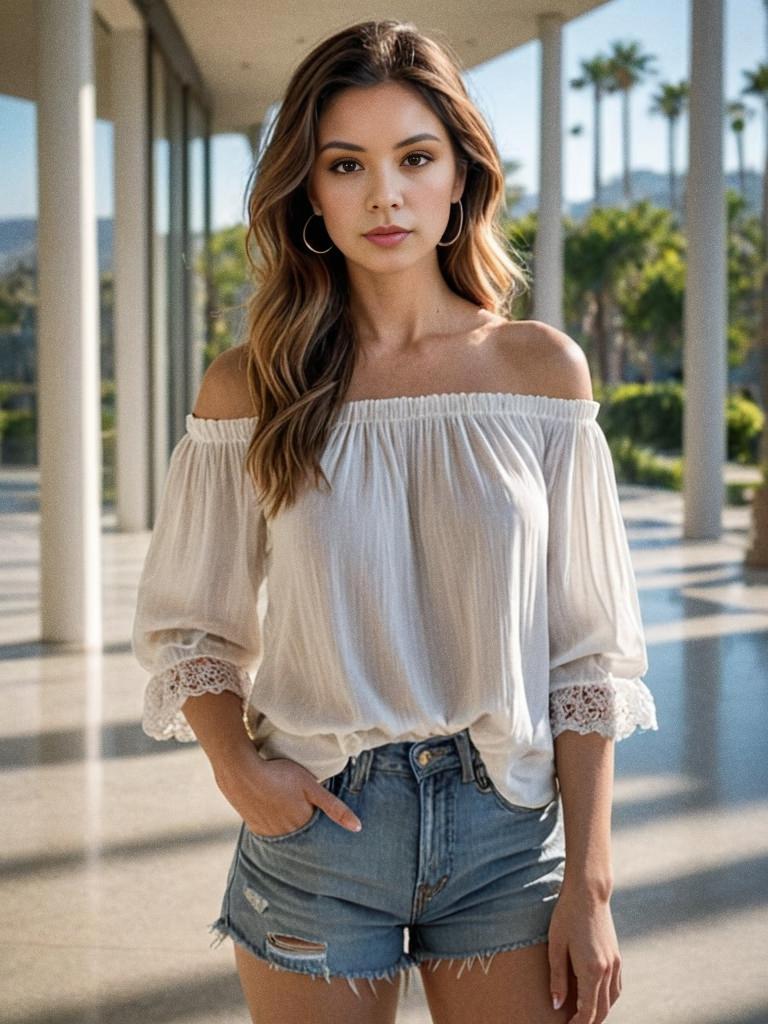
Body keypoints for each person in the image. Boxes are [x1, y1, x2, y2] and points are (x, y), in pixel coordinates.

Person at [131, 18, 659, 1024]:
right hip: (323, 824)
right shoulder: (253, 387)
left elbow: (586, 657)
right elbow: (190, 625)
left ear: (461, 177)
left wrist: (590, 883)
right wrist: (239, 768)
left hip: (507, 827)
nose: (385, 195)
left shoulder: (541, 373)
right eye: (346, 164)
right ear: (310, 191)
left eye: (416, 157)